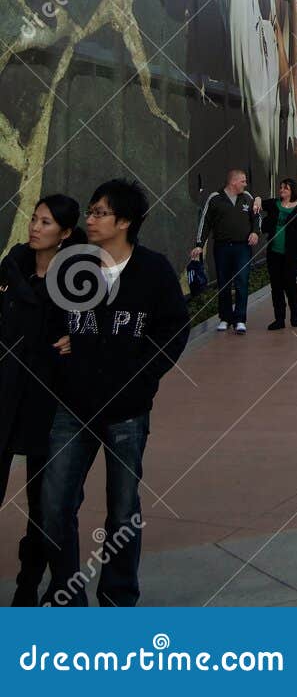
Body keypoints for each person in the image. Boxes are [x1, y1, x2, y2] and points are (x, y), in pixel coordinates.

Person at [41, 178, 189, 607]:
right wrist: (64, 347)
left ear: (124, 222)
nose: (90, 218)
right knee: (54, 506)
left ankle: (118, 595)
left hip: (126, 410)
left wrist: (143, 375)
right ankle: (66, 596)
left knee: (122, 511)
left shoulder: (153, 271)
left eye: (100, 212)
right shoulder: (71, 266)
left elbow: (173, 329)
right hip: (71, 408)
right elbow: (53, 321)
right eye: (90, 210)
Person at [0, 194, 79, 606]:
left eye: (45, 223)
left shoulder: (76, 281)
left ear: (64, 234)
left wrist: (79, 340)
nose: (34, 227)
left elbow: (90, 332)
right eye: (34, 219)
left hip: (47, 400)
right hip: (5, 393)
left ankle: (28, 586)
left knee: (42, 502)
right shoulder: (11, 268)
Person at [190, 167, 260, 333]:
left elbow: (256, 218)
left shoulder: (248, 198)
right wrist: (199, 244)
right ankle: (225, 318)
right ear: (233, 182)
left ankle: (240, 319)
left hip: (243, 247)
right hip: (222, 247)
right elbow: (204, 222)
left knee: (242, 281)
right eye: (243, 181)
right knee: (224, 283)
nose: (245, 184)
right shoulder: (215, 199)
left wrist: (255, 233)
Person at [257, 178, 297, 329]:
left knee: (289, 282)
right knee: (276, 285)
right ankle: (279, 319)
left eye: (285, 188)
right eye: (281, 188)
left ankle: (295, 313)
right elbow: (260, 202)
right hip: (274, 252)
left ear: (292, 191)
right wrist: (256, 200)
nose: (281, 190)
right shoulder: (275, 204)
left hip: (292, 254)